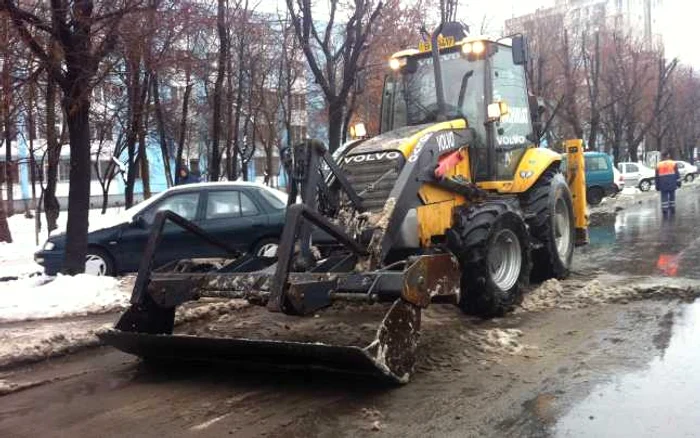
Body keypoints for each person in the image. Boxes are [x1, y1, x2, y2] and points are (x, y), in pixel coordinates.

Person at [655, 150, 681, 215]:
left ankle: (665, 209)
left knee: (664, 197)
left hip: (663, 184)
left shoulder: (658, 165)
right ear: (668, 155)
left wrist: (657, 186)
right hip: (672, 182)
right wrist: (678, 183)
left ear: (662, 156)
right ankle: (672, 209)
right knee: (672, 196)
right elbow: (677, 174)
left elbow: (657, 177)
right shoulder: (673, 163)